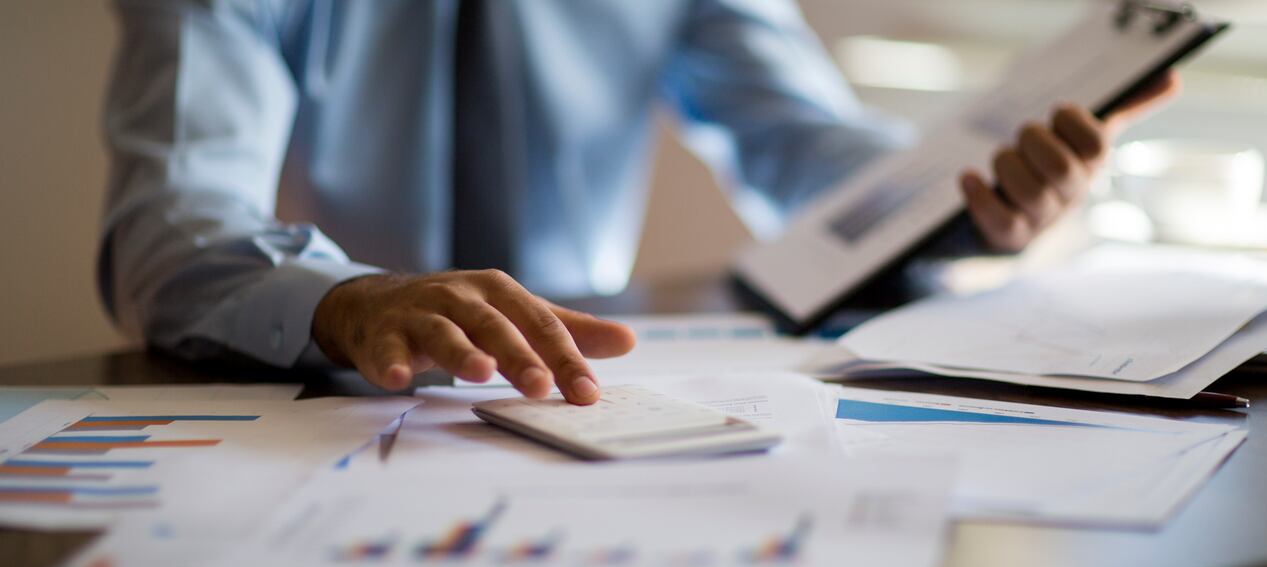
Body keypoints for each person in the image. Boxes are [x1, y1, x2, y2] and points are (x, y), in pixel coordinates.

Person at [100, 1, 1177, 404]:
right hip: (327, 396)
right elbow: (170, 219)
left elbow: (807, 150)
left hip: (581, 395)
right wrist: (348, 300)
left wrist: (970, 203)